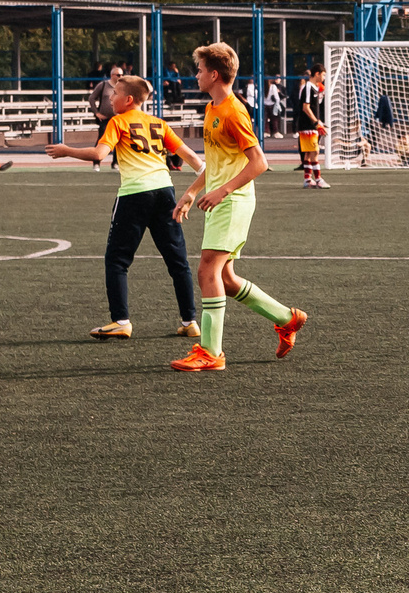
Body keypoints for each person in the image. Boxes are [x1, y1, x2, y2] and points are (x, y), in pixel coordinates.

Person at [170, 43, 306, 372]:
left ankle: (211, 353)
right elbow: (217, 165)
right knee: (226, 279)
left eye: (200, 70)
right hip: (223, 200)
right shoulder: (212, 109)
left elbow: (259, 162)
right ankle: (287, 319)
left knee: (206, 270)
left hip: (233, 201)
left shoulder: (233, 111)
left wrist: (223, 191)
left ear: (214, 74)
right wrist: (191, 191)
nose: (197, 75)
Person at [45, 73, 200, 342]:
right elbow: (192, 158)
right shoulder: (159, 124)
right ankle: (190, 321)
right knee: (178, 261)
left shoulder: (118, 121)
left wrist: (66, 149)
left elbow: (98, 155)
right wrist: (199, 183)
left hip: (135, 195)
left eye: (114, 94)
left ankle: (121, 321)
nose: (110, 98)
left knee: (117, 260)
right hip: (165, 192)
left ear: (128, 100)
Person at [293, 64, 328, 190]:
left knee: (308, 154)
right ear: (317, 73)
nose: (324, 77)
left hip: (310, 125)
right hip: (307, 126)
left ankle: (308, 180)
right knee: (315, 152)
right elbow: (305, 107)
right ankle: (318, 179)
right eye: (323, 74)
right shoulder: (308, 87)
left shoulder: (315, 88)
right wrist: (315, 123)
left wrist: (319, 121)